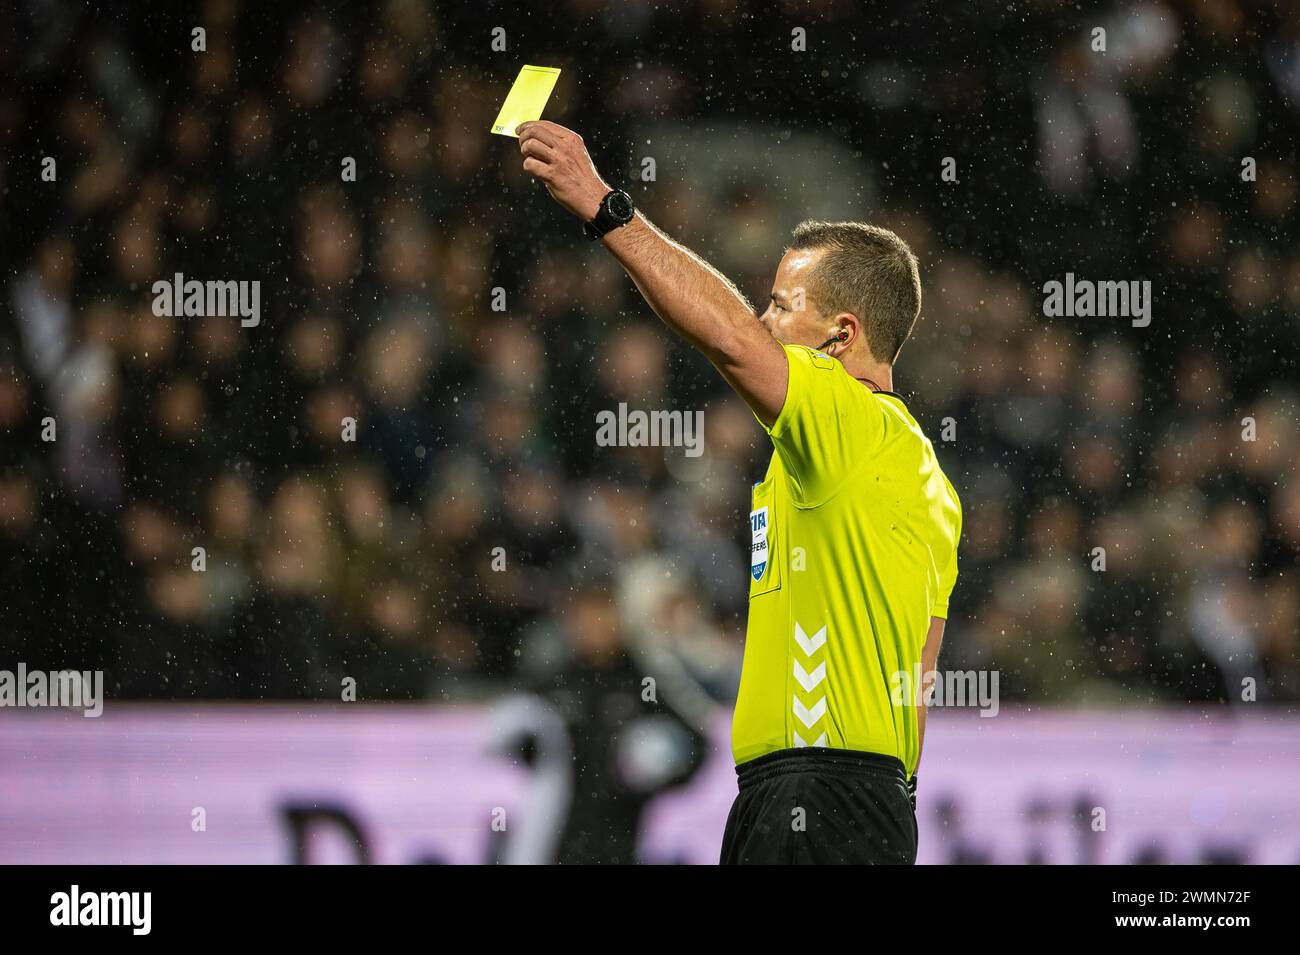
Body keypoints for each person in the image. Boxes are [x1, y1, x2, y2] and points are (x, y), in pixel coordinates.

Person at [516, 121, 961, 864]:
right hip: (865, 799)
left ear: (840, 337)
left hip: (813, 795)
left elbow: (728, 339)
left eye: (782, 306)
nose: (763, 321)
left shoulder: (847, 421)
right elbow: (920, 673)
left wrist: (603, 206)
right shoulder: (928, 482)